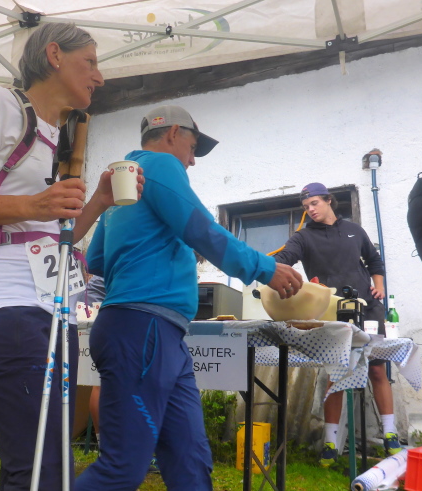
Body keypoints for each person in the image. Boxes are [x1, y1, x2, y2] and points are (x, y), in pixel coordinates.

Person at [0, 23, 142, 490]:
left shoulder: (59, 135)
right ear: (54, 55)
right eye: (91, 62)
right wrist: (33, 204)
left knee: (54, 456)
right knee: (37, 463)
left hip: (52, 306)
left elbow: (50, 236)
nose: (100, 76)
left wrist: (98, 202)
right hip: (2, 300)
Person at [75, 105, 303, 491]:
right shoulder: (160, 165)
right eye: (193, 148)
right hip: (142, 329)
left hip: (158, 332)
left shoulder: (124, 184)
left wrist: (162, 241)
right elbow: (201, 228)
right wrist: (265, 268)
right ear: (172, 134)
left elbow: (96, 259)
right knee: (123, 467)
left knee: (190, 459)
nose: (193, 161)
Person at [273, 182, 400, 465]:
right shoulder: (303, 237)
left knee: (377, 370)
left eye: (314, 203)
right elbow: (283, 259)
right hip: (332, 312)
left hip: (367, 309)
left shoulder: (355, 230)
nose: (310, 210)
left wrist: (378, 286)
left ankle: (391, 435)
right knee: (337, 374)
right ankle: (330, 443)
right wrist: (261, 266)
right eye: (306, 207)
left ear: (329, 200)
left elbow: (375, 261)